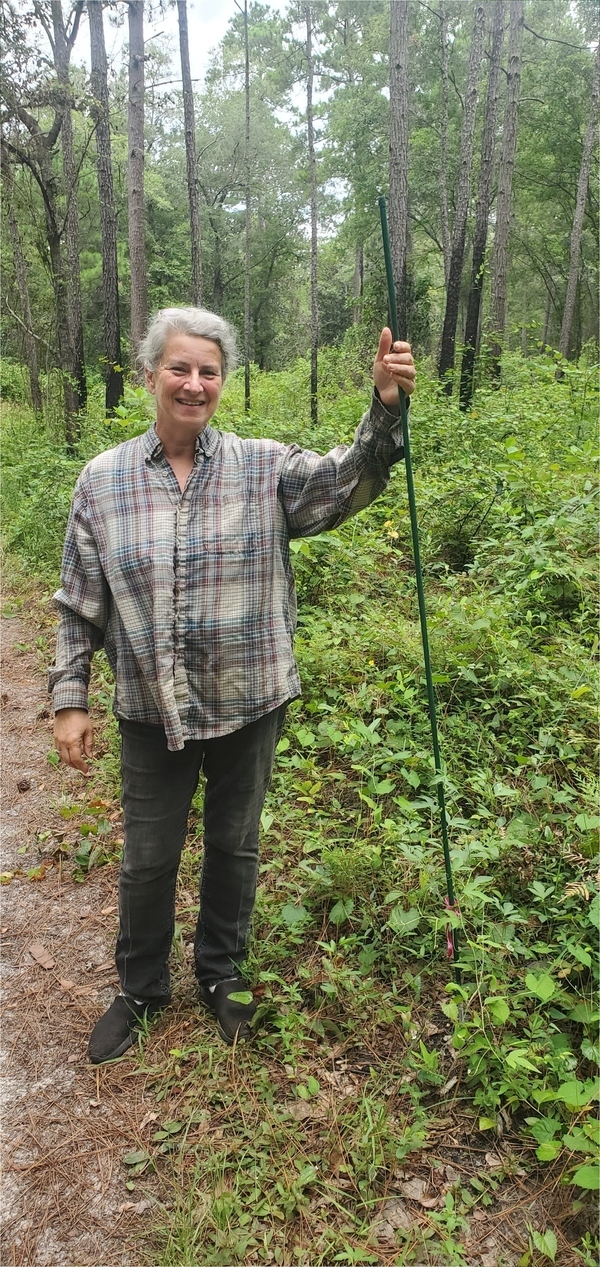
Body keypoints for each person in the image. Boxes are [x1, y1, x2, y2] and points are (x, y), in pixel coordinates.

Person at [50, 307, 416, 1063]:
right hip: (152, 706)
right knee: (147, 856)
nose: (193, 383)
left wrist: (383, 407)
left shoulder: (263, 465)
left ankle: (221, 973)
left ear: (223, 382)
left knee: (234, 844)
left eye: (208, 371)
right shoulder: (104, 481)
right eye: (179, 368)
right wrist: (70, 698)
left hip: (250, 698)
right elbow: (79, 600)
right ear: (150, 375)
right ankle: (141, 986)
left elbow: (347, 484)